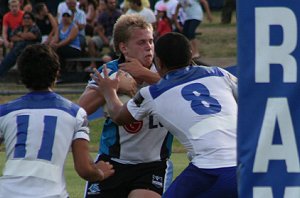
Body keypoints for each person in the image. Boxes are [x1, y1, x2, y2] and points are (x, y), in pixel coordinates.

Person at [90, 32, 238, 198]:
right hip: (245, 164)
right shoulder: (219, 74)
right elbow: (250, 98)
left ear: (158, 62)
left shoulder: (153, 93)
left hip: (207, 168)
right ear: (190, 54)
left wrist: (109, 91)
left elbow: (118, 116)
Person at [0, 44, 115, 198]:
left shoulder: (5, 112)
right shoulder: (75, 113)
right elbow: (84, 169)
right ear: (57, 73)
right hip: (51, 194)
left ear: (21, 75)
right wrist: (100, 173)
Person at [79, 14, 174, 198]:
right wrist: (112, 86)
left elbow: (182, 87)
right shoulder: (110, 71)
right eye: (141, 42)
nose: (149, 47)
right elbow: (80, 110)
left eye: (151, 41)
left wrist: (145, 74)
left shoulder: (164, 69)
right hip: (112, 163)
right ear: (124, 47)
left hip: (152, 165)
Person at [0, 11, 41, 77]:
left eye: (28, 18)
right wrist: (23, 37)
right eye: (24, 18)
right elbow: (12, 37)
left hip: (30, 52)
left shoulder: (35, 28)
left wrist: (19, 34)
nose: (26, 20)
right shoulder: (19, 27)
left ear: (32, 20)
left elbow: (32, 36)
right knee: (6, 61)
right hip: (16, 50)